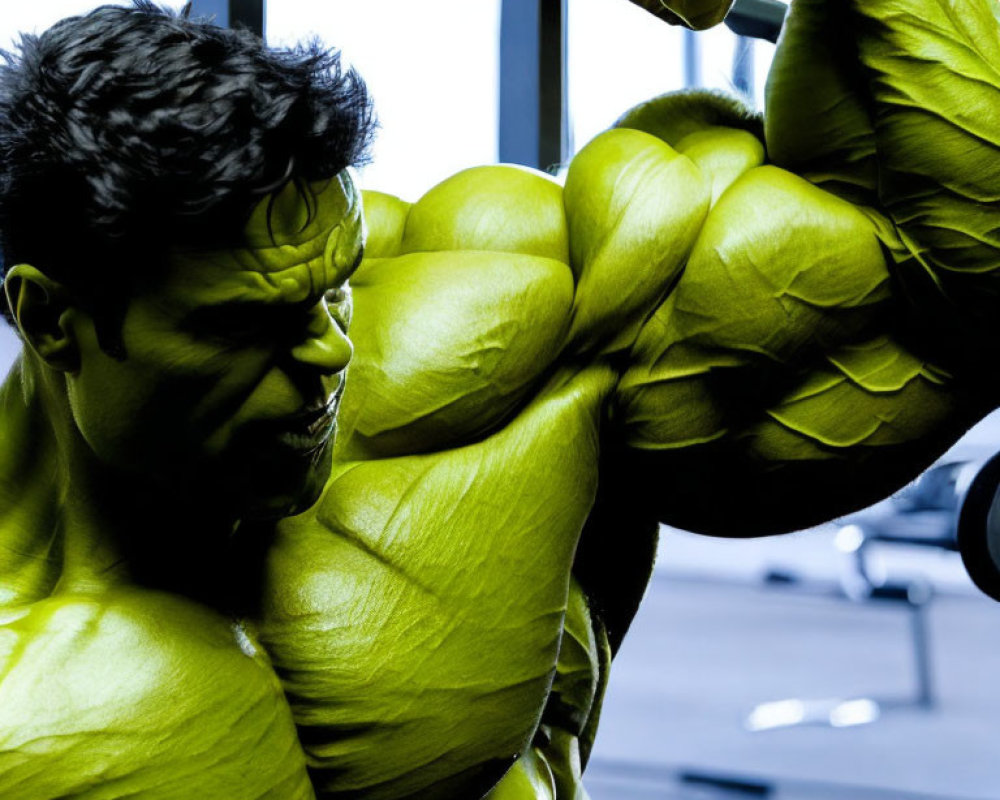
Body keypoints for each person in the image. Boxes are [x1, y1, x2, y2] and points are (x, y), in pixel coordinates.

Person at [0, 0, 997, 798]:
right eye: (243, 323)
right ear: (51, 317)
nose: (331, 346)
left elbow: (948, 273)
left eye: (333, 283)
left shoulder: (483, 326)